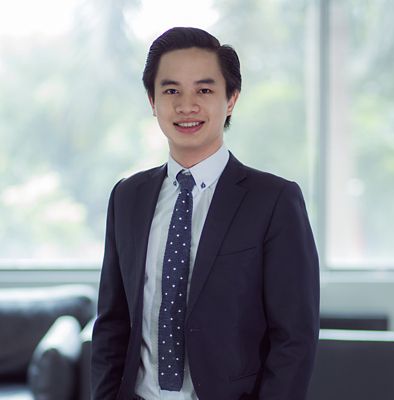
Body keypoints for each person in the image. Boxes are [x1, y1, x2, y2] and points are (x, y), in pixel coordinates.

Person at [91, 27, 319, 400]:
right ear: (152, 100)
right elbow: (112, 323)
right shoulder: (127, 197)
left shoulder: (275, 200)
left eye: (204, 90)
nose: (186, 105)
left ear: (231, 99)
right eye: (171, 90)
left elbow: (295, 338)